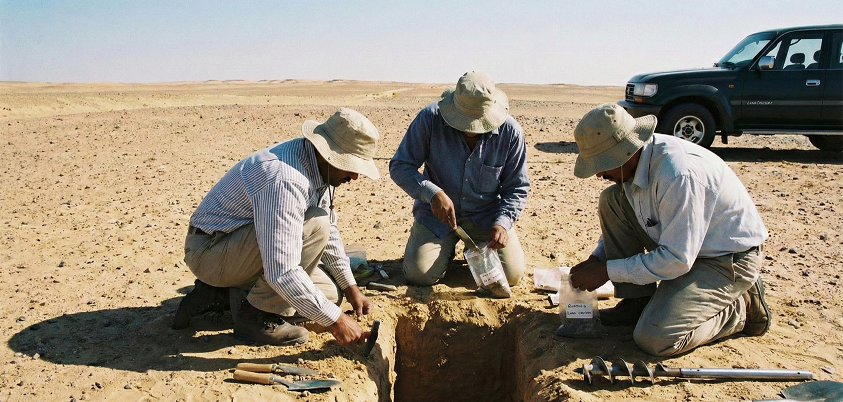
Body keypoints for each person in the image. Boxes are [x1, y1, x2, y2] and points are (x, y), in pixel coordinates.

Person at [569, 103, 771, 356]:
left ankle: (740, 308)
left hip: (723, 260)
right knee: (612, 199)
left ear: (625, 152)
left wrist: (607, 271)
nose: (599, 174)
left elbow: (677, 259)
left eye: (602, 164)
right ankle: (637, 301)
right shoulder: (635, 165)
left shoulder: (678, 174)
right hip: (684, 248)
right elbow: (635, 216)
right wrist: (598, 259)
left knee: (656, 339)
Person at [172, 108, 379, 347]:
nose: (355, 176)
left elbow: (329, 234)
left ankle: (223, 295)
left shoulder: (316, 165)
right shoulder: (286, 179)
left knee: (331, 295)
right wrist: (337, 321)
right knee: (316, 226)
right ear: (328, 155)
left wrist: (351, 288)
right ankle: (254, 318)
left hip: (240, 251)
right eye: (351, 166)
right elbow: (282, 270)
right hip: (211, 252)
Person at [390, 71, 529, 287]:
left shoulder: (511, 132)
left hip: (486, 217)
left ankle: (470, 249)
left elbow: (517, 188)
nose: (470, 130)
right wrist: (432, 193)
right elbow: (400, 166)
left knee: (511, 276)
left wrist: (502, 224)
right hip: (435, 218)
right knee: (419, 275)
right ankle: (444, 251)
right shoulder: (429, 119)